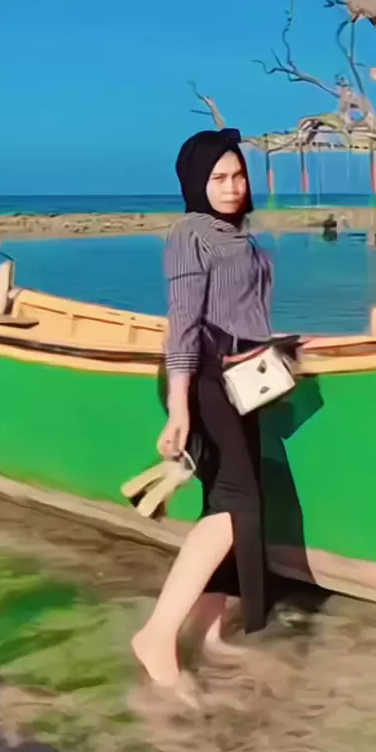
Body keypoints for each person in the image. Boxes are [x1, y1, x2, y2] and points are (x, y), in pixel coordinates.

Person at [132, 128, 274, 700]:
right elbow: (183, 321)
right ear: (196, 183)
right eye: (219, 178)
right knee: (239, 504)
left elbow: (244, 312)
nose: (232, 186)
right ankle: (157, 634)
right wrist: (179, 406)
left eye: (238, 175)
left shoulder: (236, 234)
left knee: (225, 499)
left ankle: (209, 633)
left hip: (244, 377)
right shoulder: (190, 234)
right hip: (205, 376)